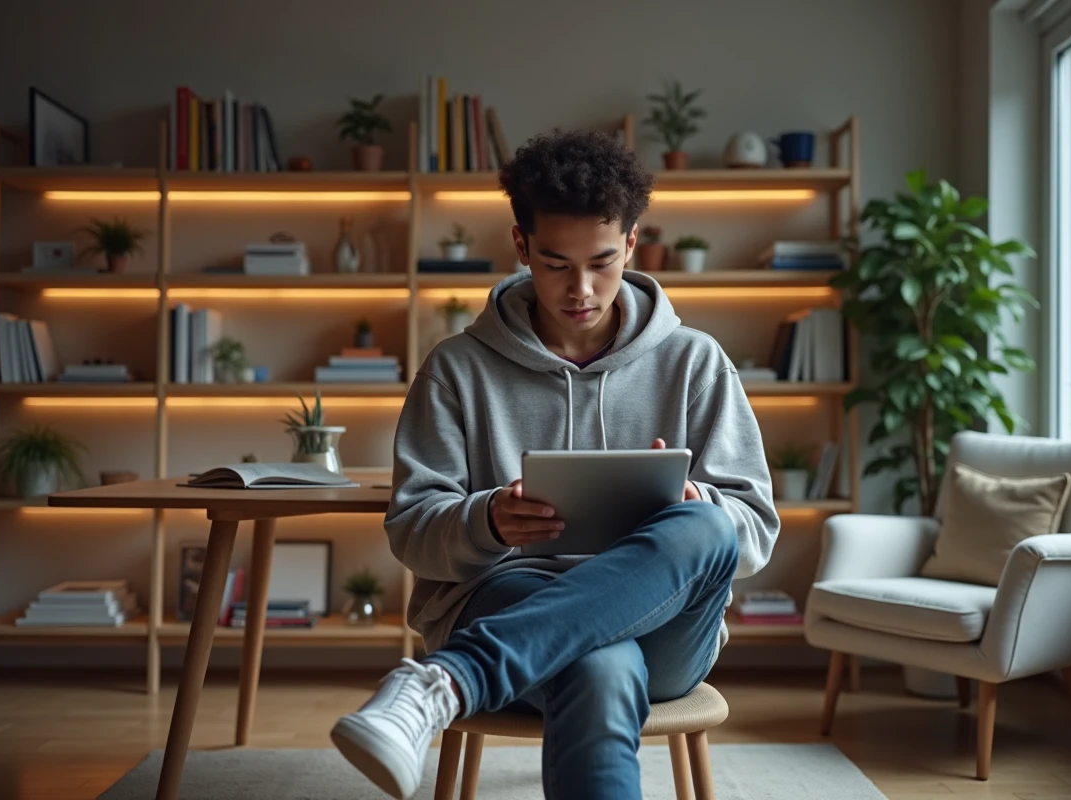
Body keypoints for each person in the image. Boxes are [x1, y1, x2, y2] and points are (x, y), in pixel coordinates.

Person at [330, 128, 780, 800]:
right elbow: (412, 531)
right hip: (508, 596)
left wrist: (694, 502)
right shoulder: (457, 369)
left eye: (602, 262)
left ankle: (446, 683)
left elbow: (754, 530)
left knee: (707, 528)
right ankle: (462, 674)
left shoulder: (695, 362)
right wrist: (488, 520)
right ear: (520, 247)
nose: (581, 289)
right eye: (555, 263)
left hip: (668, 629)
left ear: (632, 242)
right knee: (599, 664)